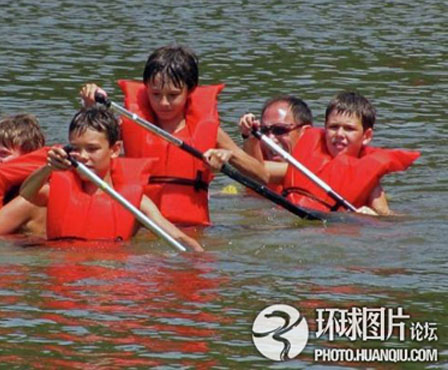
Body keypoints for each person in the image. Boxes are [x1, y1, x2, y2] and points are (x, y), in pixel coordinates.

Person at [80, 44, 268, 226]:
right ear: (146, 88)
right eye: (155, 94)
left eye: (173, 95)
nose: (163, 103)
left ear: (190, 91)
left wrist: (228, 155)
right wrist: (90, 107)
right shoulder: (128, 125)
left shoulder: (210, 131)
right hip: (141, 227)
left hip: (192, 229)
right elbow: (88, 148)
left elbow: (262, 176)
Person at [19, 106, 203, 251]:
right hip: (66, 279)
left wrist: (198, 257)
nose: (82, 156)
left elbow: (177, 237)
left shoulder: (135, 203)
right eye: (75, 148)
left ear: (115, 150)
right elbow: (26, 192)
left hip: (109, 279)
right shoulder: (56, 188)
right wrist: (48, 168)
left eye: (92, 149)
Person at [239, 91, 420, 215]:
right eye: (333, 127)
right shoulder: (298, 167)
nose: (339, 134)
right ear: (325, 129)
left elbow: (389, 219)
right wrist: (249, 138)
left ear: (366, 136)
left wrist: (370, 217)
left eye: (349, 129)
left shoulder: (370, 182)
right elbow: (257, 171)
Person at [238, 95, 313, 193]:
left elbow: (256, 171)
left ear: (305, 133)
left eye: (279, 130)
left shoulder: (312, 168)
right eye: (264, 130)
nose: (270, 139)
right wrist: (250, 135)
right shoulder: (257, 153)